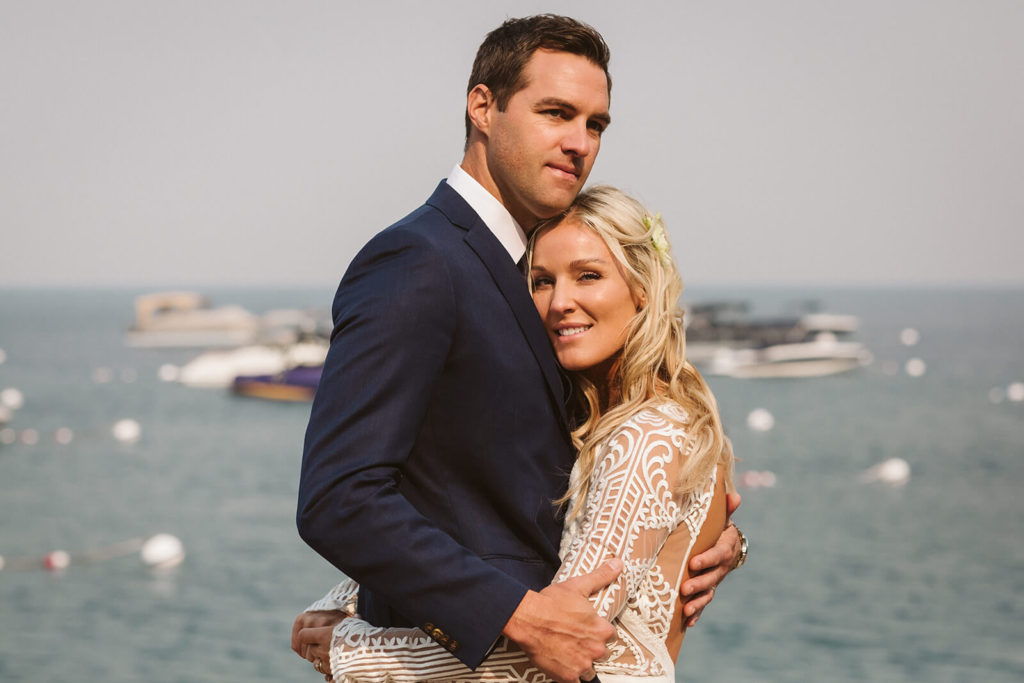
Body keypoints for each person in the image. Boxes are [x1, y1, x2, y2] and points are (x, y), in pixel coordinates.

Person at [294, 15, 745, 683]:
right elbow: (339, 495)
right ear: (483, 106)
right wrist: (518, 615)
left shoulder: (533, 273)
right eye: (556, 112)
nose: (579, 142)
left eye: (595, 124)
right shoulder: (419, 261)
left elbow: (506, 497)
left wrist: (694, 536)